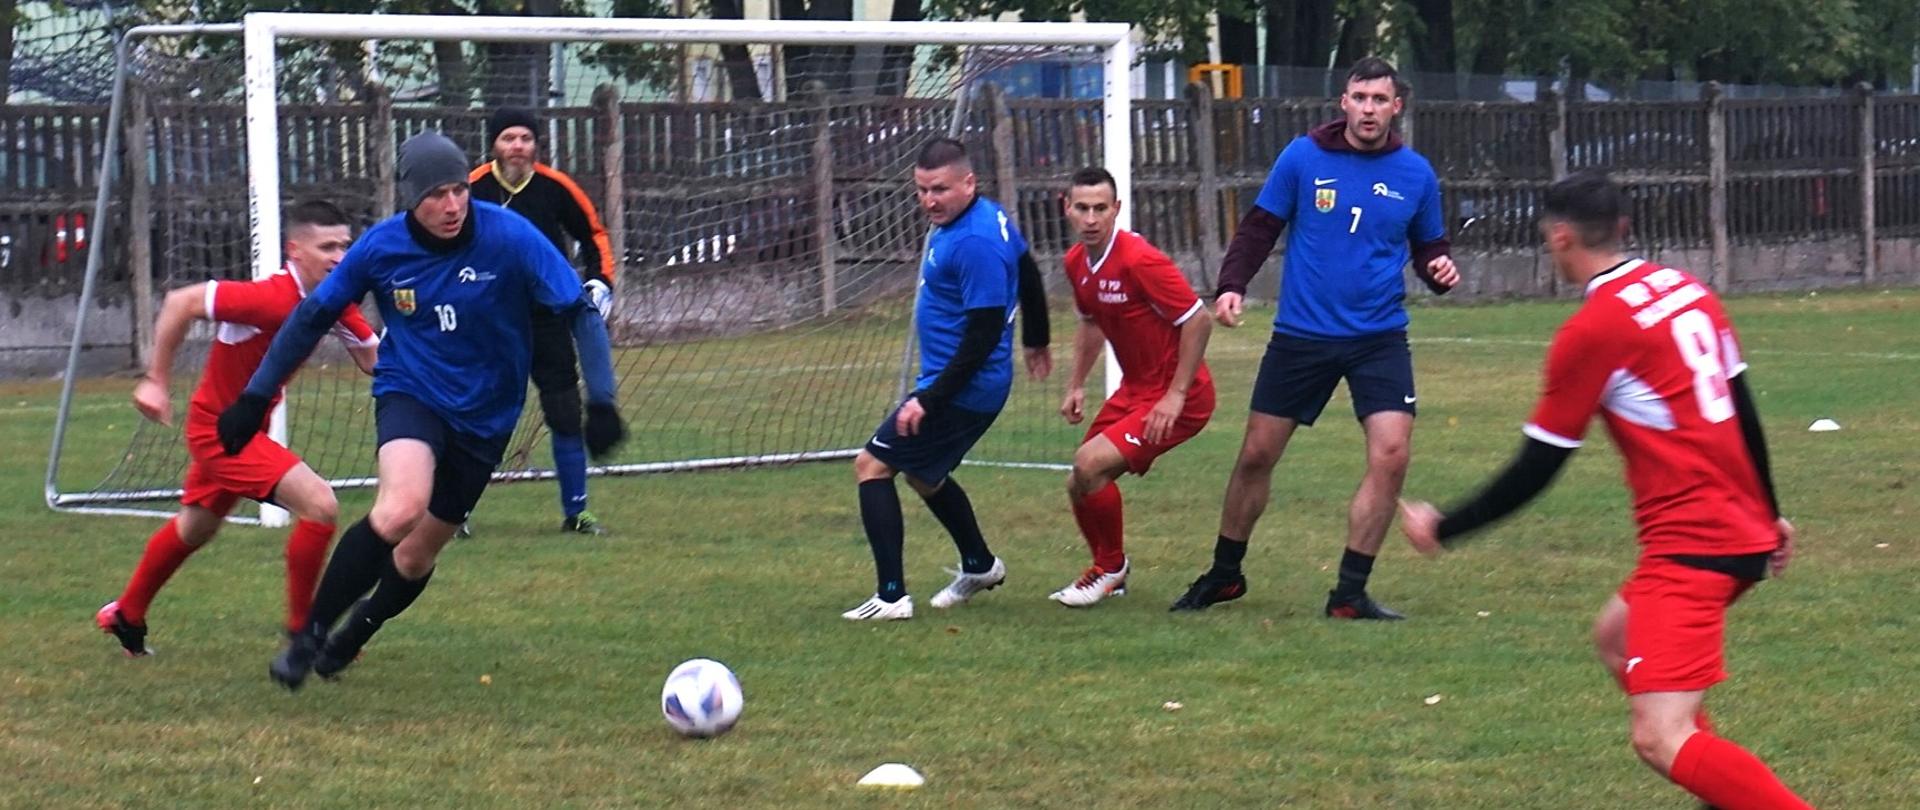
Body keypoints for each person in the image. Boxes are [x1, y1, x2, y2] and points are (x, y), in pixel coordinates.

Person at [1399, 171, 1811, 810]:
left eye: (1546, 237)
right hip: (1732, 525)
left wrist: (1443, 525)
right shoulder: (1687, 290)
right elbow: (1742, 405)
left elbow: (1539, 466)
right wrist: (1772, 510)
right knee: (1616, 639)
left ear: (1561, 236)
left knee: (1659, 738)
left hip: (1695, 546)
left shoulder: (1594, 330)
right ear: (1622, 228)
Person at [217, 132, 626, 689]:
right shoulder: (382, 247)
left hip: (487, 418)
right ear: (411, 196)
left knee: (413, 558)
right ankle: (307, 637)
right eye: (436, 194)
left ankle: (356, 631)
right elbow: (314, 316)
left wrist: (601, 400)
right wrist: (255, 397)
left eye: (459, 190)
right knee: (398, 509)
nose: (452, 205)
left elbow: (579, 312)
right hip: (412, 392)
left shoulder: (511, 238)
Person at [1169, 57, 1461, 617]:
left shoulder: (1416, 175)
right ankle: (1226, 574)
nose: (1369, 108)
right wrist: (1231, 284)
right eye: (1360, 97)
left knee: (1393, 455)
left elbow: (1429, 248)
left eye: (1380, 99)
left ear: (1396, 106)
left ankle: (1349, 594)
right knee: (1256, 455)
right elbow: (1260, 227)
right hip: (1302, 335)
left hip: (1379, 336)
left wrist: (1439, 268)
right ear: (1343, 103)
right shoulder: (1303, 158)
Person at [96, 200, 379, 656]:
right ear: (295, 251)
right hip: (218, 433)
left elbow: (375, 360)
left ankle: (127, 614)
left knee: (195, 529)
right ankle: (302, 632)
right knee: (320, 504)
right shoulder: (268, 298)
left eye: (344, 246)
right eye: (327, 246)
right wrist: (155, 381)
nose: (339, 257)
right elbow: (179, 301)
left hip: (247, 432)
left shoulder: (334, 301)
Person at [840, 137, 1052, 621]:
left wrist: (928, 400)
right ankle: (979, 564)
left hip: (963, 388)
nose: (929, 200)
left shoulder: (974, 242)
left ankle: (891, 596)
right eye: (921, 190)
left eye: (939, 189)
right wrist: (1037, 337)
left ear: (969, 183)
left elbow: (980, 335)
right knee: (923, 473)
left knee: (872, 466)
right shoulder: (980, 217)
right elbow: (1028, 267)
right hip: (963, 385)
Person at [1050, 166, 1215, 607]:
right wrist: (1076, 384)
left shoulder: (1140, 259)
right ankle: (1109, 572)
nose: (1090, 218)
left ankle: (1110, 568)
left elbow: (1199, 320)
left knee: (1089, 464)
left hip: (1182, 394)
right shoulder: (1075, 263)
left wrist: (1175, 395)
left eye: (1100, 208)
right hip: (1135, 390)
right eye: (1082, 208)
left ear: (1116, 209)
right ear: (1067, 210)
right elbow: (1090, 322)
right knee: (1078, 481)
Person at [468, 106, 617, 535]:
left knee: (565, 412)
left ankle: (577, 512)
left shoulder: (556, 187)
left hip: (548, 318)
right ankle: (454, 512)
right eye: (509, 138)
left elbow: (594, 235)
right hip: (491, 323)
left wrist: (600, 282)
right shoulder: (471, 189)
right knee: (477, 415)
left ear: (536, 145)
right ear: (494, 144)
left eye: (525, 139)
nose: (518, 146)